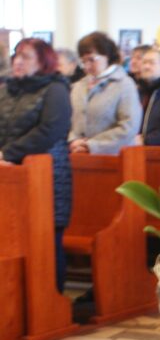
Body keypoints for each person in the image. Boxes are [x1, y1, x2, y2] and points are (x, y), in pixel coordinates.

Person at [0, 37, 72, 290]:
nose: (18, 61)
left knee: (46, 241)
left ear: (43, 62)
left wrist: (7, 153)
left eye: (26, 57)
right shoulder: (7, 90)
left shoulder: (55, 89)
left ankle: (52, 299)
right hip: (9, 176)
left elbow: (50, 130)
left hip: (47, 176)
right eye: (16, 56)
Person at [69, 32, 142, 155]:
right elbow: (70, 120)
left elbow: (129, 126)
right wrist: (73, 140)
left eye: (91, 60)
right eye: (83, 61)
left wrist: (91, 145)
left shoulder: (124, 84)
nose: (87, 66)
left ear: (107, 56)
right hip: (79, 155)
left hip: (114, 156)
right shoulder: (79, 86)